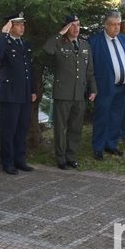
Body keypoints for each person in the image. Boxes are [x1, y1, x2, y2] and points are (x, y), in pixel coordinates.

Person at [42, 15, 97, 169]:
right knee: (60, 128)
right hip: (63, 93)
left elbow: (90, 70)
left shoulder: (85, 45)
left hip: (79, 93)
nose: (76, 28)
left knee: (76, 127)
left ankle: (71, 156)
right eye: (72, 25)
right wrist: (61, 33)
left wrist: (93, 88)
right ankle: (60, 158)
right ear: (66, 27)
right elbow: (47, 49)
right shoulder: (59, 43)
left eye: (78, 25)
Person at [0, 13, 37, 175]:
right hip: (10, 94)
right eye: (18, 24)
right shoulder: (4, 42)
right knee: (9, 130)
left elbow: (28, 69)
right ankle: (7, 162)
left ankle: (20, 159)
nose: (22, 27)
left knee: (22, 129)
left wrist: (32, 90)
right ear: (10, 26)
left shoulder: (24, 43)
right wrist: (4, 34)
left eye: (23, 24)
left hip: (24, 93)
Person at [88, 11, 125, 160]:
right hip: (105, 87)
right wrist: (93, 87)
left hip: (122, 86)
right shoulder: (95, 42)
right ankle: (98, 147)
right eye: (112, 24)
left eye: (118, 24)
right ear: (105, 25)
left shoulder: (123, 39)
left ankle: (111, 144)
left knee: (116, 117)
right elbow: (90, 68)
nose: (116, 27)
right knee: (102, 117)